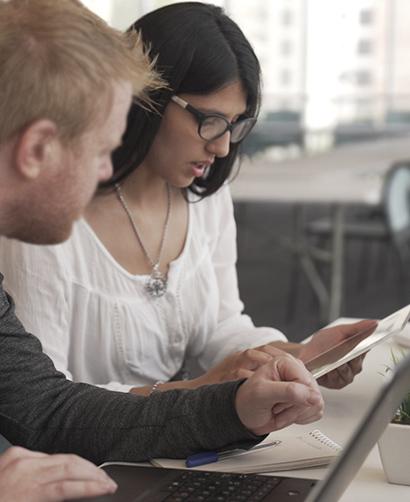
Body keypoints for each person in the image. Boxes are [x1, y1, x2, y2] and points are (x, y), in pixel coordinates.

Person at [0, 1, 324, 500]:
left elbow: (46, 409)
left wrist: (243, 400)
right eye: (101, 150)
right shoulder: (42, 233)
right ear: (37, 149)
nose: (106, 174)